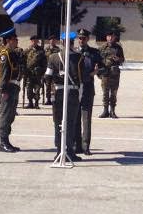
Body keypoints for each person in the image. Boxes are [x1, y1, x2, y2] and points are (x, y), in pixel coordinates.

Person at [45, 31, 83, 162]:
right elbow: (83, 77)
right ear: (73, 43)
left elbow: (48, 76)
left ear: (62, 42)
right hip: (72, 93)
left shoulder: (53, 57)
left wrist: (49, 94)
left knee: (58, 123)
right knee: (70, 123)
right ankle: (70, 151)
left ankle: (59, 150)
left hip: (58, 93)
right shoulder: (79, 57)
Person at [74, 28, 104, 156]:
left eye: (84, 38)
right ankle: (76, 145)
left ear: (88, 39)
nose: (81, 40)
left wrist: (97, 72)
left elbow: (102, 67)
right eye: (79, 38)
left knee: (86, 119)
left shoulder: (94, 53)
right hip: (75, 90)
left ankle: (86, 146)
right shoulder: (73, 52)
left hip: (87, 89)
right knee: (75, 118)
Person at [0, 28, 21, 153]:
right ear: (8, 40)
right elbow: (3, 73)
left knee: (10, 115)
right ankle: (3, 142)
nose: (17, 41)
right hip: (8, 88)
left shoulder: (13, 53)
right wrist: (3, 89)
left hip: (14, 87)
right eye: (14, 39)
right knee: (5, 115)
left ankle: (7, 140)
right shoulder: (5, 54)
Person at [98, 30, 125, 118]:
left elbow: (122, 60)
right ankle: (105, 111)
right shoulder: (102, 47)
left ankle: (112, 111)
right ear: (106, 37)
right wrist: (99, 72)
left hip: (115, 73)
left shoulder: (118, 48)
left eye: (112, 36)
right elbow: (98, 60)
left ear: (114, 37)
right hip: (105, 73)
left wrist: (118, 59)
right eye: (108, 36)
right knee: (105, 92)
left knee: (113, 93)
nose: (110, 38)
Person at [23, 35, 47, 109]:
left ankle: (36, 103)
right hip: (29, 73)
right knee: (29, 89)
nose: (35, 42)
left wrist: (42, 71)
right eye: (33, 41)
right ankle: (30, 102)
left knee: (37, 89)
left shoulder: (41, 51)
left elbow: (44, 63)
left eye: (36, 41)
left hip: (37, 74)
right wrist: (24, 71)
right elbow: (23, 61)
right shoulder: (27, 50)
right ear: (31, 41)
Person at [44, 34, 61, 106]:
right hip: (47, 69)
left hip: (55, 70)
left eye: (54, 40)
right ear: (49, 41)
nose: (52, 41)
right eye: (51, 40)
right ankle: (48, 99)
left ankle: (53, 98)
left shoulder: (58, 50)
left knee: (54, 85)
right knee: (47, 85)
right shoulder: (46, 49)